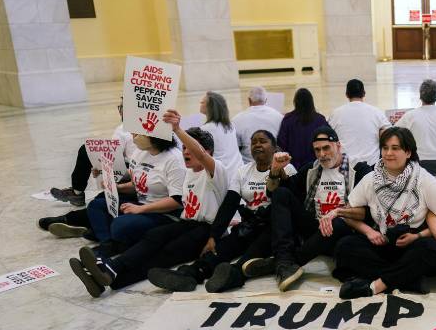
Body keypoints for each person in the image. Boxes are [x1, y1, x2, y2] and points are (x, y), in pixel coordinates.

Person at [70, 113, 229, 297]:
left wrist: (177, 129)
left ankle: (110, 268)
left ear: (208, 152)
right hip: (187, 223)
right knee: (154, 236)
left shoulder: (216, 171)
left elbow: (199, 155)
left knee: (165, 254)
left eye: (190, 148)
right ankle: (108, 275)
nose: (185, 151)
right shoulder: (189, 173)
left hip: (207, 228)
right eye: (184, 147)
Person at [147, 129, 296, 293]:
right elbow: (229, 204)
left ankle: (234, 275)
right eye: (253, 142)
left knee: (249, 257)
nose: (257, 145)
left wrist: (277, 171)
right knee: (219, 250)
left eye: (263, 141)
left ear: (275, 147)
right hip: (249, 225)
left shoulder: (287, 169)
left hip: (272, 228)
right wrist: (214, 236)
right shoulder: (243, 171)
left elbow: (291, 202)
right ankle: (190, 274)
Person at [329, 127, 436, 299]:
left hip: (411, 242)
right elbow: (348, 213)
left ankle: (375, 286)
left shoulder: (424, 180)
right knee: (344, 247)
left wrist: (418, 236)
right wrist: (370, 232)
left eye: (395, 148)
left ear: (408, 152)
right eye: (385, 148)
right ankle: (409, 279)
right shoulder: (371, 179)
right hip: (382, 241)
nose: (388, 153)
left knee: (430, 250)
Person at [243, 127, 372, 292]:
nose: (322, 154)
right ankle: (284, 258)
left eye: (326, 148)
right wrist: (275, 170)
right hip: (314, 227)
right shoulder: (311, 169)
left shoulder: (360, 169)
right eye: (317, 150)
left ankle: (284, 262)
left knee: (339, 223)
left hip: (344, 229)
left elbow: (368, 212)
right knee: (282, 193)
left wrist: (338, 213)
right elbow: (275, 193)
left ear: (338, 146)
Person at [75, 131, 185, 256]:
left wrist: (141, 209)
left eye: (139, 133)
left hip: (165, 213)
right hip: (141, 203)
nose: (133, 135)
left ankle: (110, 238)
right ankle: (108, 244)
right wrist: (110, 180)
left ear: (155, 137)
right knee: (95, 205)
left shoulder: (174, 159)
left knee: (120, 225)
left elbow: (177, 200)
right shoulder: (140, 152)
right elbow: (136, 184)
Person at [40, 99, 134, 235]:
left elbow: (145, 175)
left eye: (122, 107)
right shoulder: (129, 135)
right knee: (100, 201)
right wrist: (104, 170)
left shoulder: (159, 149)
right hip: (135, 180)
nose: (120, 111)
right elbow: (137, 171)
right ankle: (85, 225)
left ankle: (74, 222)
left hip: (145, 194)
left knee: (104, 203)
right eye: (120, 107)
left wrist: (118, 181)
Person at [327, 78, 389, 166]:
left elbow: (327, 133)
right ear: (364, 93)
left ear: (346, 94)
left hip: (345, 165)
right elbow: (389, 133)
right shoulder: (376, 112)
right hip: (371, 164)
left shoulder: (335, 114)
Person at [278, 87, 328, 170]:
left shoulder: (288, 120)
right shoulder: (320, 120)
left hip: (293, 167)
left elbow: (281, 144)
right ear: (311, 102)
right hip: (316, 165)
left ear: (295, 102)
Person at [231, 86, 283, 163]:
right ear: (266, 100)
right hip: (274, 164)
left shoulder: (236, 120)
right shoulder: (279, 117)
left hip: (246, 166)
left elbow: (235, 149)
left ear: (249, 100)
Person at [200, 91, 243, 176]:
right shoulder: (230, 126)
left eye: (202, 102)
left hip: (222, 175)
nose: (200, 103)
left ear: (210, 107)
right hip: (238, 171)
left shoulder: (205, 129)